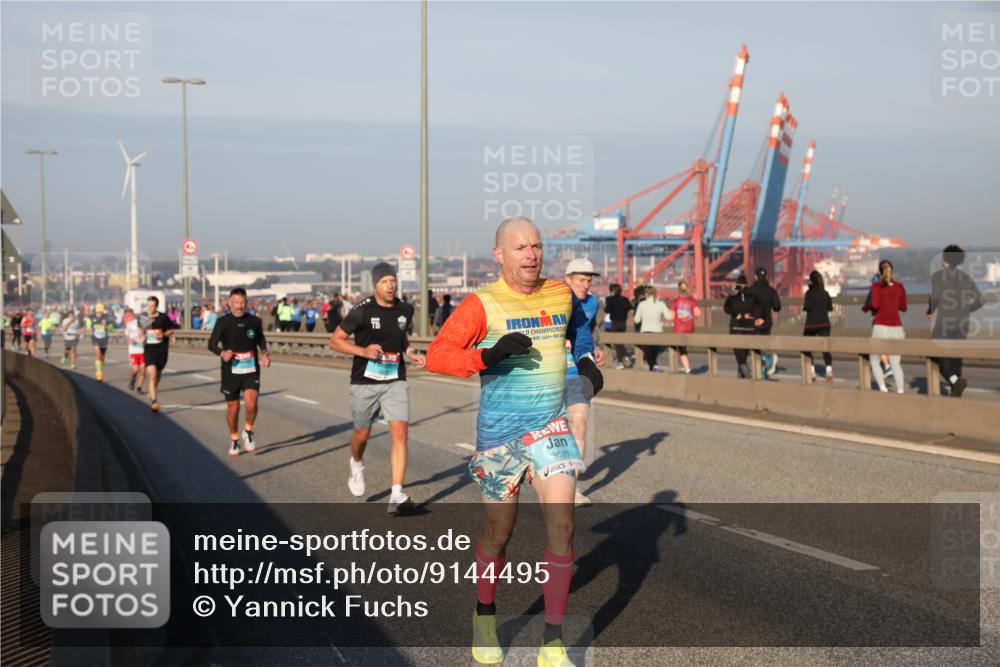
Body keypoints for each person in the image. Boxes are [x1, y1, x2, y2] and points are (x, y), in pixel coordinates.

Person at [425, 216, 603, 667]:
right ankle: (485, 613)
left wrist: (584, 358)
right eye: (521, 247)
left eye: (537, 246)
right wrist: (490, 353)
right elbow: (437, 356)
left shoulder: (560, 293)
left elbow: (579, 326)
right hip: (500, 437)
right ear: (499, 253)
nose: (531, 255)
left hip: (549, 427)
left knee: (563, 526)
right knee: (497, 535)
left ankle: (553, 641)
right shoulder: (481, 303)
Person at [329, 263, 426, 514]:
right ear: (375, 285)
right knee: (362, 435)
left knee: (400, 433)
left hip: (395, 379)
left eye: (393, 280)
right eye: (385, 281)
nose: (391, 285)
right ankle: (357, 464)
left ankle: (396, 494)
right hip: (364, 382)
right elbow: (335, 340)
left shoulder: (405, 309)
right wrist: (363, 351)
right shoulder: (361, 311)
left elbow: (401, 336)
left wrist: (410, 351)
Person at [209, 287, 271, 457]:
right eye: (236, 302)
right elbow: (211, 344)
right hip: (230, 370)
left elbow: (260, 339)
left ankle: (248, 431)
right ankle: (235, 439)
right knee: (233, 408)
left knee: (251, 402)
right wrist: (222, 353)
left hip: (251, 368)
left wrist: (265, 353)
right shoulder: (223, 322)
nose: (239, 306)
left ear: (246, 302)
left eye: (242, 302)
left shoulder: (255, 321)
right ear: (230, 303)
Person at [562, 258, 604, 508]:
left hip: (577, 372)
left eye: (589, 280)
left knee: (580, 426)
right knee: (552, 431)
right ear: (567, 279)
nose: (586, 285)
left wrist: (595, 347)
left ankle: (571, 490)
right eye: (581, 280)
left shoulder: (592, 302)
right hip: (551, 374)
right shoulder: (555, 299)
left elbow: (591, 329)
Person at [927, 245, 982, 398]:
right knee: (956, 356)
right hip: (963, 322)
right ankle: (956, 388)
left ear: (945, 260)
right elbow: (981, 300)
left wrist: (930, 310)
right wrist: (968, 310)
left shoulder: (938, 276)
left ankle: (954, 381)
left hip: (945, 321)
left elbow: (936, 298)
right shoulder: (966, 278)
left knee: (935, 353)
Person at [867, 260, 907, 393]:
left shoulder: (876, 287)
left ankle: (883, 389)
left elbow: (875, 305)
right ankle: (900, 391)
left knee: (874, 359)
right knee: (896, 363)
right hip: (897, 328)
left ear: (880, 272)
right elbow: (904, 307)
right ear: (892, 271)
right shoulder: (900, 286)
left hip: (880, 326)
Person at [141, 296, 176, 412]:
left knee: (157, 375)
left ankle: (153, 390)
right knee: (152, 374)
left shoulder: (163, 318)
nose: (150, 308)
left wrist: (163, 335)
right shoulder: (144, 318)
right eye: (148, 305)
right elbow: (141, 332)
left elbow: (171, 331)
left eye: (152, 305)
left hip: (161, 350)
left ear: (156, 306)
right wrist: (141, 337)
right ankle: (154, 402)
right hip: (149, 350)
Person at [746, 267, 782, 378]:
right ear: (765, 277)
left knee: (754, 347)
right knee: (764, 345)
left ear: (755, 276)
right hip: (767, 322)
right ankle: (765, 365)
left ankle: (764, 366)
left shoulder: (750, 290)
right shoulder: (771, 291)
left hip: (754, 321)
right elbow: (777, 306)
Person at [724, 275, 761, 378]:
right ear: (746, 284)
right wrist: (751, 315)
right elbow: (757, 308)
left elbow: (726, 308)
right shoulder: (752, 297)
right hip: (749, 328)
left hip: (736, 327)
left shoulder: (732, 296)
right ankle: (742, 376)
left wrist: (737, 315)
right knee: (744, 353)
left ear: (737, 284)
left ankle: (746, 373)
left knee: (739, 353)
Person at [803, 271, 834, 383]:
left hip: (811, 324)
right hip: (825, 323)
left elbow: (807, 307)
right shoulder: (825, 293)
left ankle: (812, 372)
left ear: (811, 281)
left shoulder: (809, 293)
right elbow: (830, 307)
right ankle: (829, 371)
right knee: (825, 348)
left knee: (806, 347)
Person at [633, 287, 672, 372]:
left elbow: (637, 320)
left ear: (646, 294)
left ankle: (654, 368)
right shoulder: (661, 304)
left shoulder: (642, 304)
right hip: (658, 332)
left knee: (648, 354)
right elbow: (669, 317)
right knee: (654, 354)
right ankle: (654, 368)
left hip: (645, 331)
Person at [668, 280, 700, 374]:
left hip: (679, 329)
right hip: (690, 328)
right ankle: (686, 366)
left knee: (680, 349)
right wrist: (690, 316)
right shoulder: (691, 301)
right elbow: (698, 313)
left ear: (678, 290)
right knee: (683, 347)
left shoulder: (675, 302)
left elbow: (671, 317)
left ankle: (687, 368)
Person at [604, 283, 634, 369]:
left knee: (617, 342)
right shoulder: (625, 299)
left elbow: (607, 310)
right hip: (623, 323)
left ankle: (621, 360)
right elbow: (630, 307)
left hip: (615, 323)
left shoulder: (610, 299)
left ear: (612, 291)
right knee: (620, 341)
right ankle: (626, 357)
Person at [86, 303, 114, 382]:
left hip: (104, 339)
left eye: (101, 312)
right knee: (98, 355)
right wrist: (90, 329)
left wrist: (106, 326)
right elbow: (88, 327)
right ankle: (99, 373)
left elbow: (111, 328)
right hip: (95, 338)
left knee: (102, 357)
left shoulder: (107, 317)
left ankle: (100, 366)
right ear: (95, 311)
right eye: (98, 312)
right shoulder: (91, 317)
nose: (99, 313)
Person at [123, 309, 146, 393]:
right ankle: (132, 379)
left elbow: (147, 334)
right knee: (135, 370)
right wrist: (130, 341)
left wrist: (144, 338)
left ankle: (139, 388)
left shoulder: (143, 323)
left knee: (143, 370)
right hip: (133, 351)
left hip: (142, 350)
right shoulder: (128, 325)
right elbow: (127, 337)